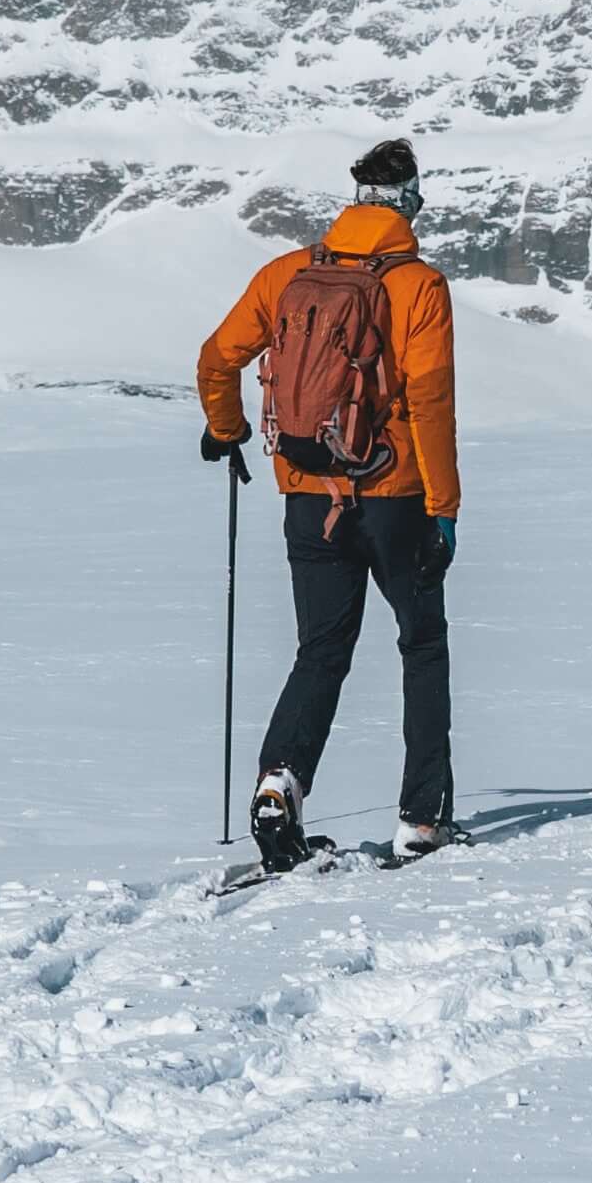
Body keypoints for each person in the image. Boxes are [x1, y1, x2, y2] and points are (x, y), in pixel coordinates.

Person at [197, 136, 460, 868]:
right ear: (408, 197)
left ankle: (279, 779)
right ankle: (422, 818)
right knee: (422, 643)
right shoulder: (417, 284)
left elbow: (217, 357)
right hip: (395, 493)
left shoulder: (287, 273)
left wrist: (228, 429)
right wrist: (444, 507)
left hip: (306, 492)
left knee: (319, 650)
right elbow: (430, 398)